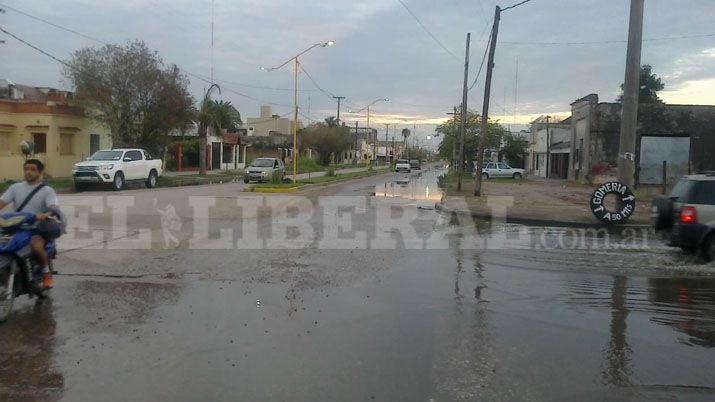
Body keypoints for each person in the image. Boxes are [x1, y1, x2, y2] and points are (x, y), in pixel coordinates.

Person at [0, 159, 60, 289]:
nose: (28, 172)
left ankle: (46, 273)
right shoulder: (15, 188)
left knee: (36, 246)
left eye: (32, 169)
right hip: (16, 226)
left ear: (40, 172)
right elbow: (2, 202)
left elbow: (52, 207)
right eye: (26, 169)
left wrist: (47, 214)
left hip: (37, 229)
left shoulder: (47, 190)